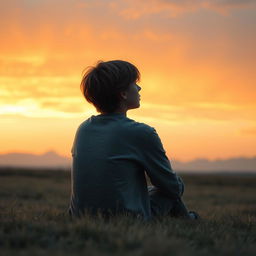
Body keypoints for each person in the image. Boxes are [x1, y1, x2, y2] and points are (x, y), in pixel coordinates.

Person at [68, 60, 200, 221]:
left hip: (81, 217)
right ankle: (188, 219)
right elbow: (170, 187)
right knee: (175, 184)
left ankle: (186, 218)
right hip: (126, 219)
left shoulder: (83, 129)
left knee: (153, 190)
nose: (139, 88)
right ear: (123, 93)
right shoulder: (141, 132)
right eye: (134, 83)